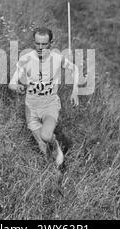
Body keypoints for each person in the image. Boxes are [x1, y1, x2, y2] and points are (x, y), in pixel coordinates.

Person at [9, 27, 79, 167]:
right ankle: (53, 173)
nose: (40, 47)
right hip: (31, 106)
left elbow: (75, 68)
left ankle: (56, 145)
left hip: (50, 104)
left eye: (44, 44)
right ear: (33, 42)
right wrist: (17, 86)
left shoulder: (57, 59)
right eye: (37, 43)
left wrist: (75, 91)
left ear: (50, 43)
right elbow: (11, 83)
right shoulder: (26, 59)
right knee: (42, 146)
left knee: (46, 136)